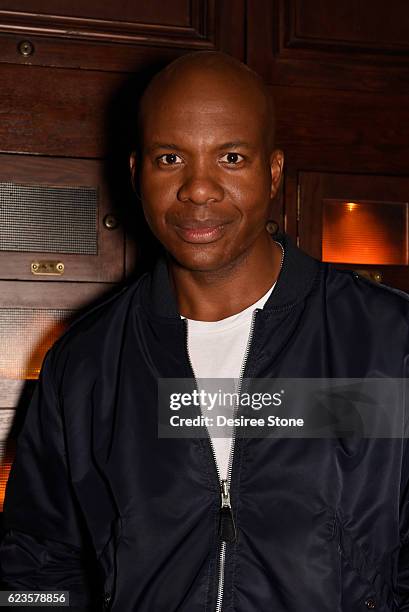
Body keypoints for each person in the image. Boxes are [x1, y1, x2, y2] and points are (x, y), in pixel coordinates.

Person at [0, 51, 409, 611]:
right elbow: (38, 561)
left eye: (231, 157)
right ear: (136, 172)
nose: (198, 188)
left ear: (272, 172)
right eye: (170, 157)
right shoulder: (87, 363)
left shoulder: (385, 343)